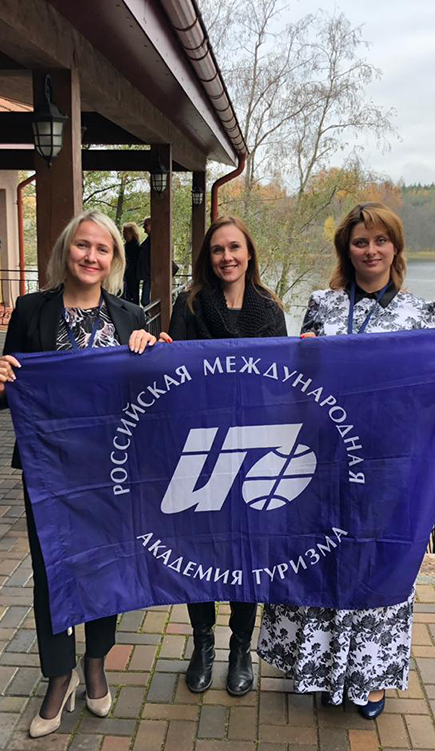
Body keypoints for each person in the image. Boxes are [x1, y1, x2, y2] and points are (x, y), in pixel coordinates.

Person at [257, 202, 435, 720]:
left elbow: (424, 388)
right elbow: (300, 384)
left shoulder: (419, 314)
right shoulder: (323, 306)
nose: (370, 250)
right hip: (325, 458)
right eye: (360, 242)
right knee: (322, 553)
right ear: (346, 250)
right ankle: (320, 667)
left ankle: (370, 676)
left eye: (380, 240)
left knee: (377, 561)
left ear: (395, 248)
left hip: (386, 464)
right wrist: (303, 353)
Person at [0, 210, 155, 738]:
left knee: (107, 564)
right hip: (49, 466)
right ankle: (59, 675)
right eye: (83, 245)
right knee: (52, 567)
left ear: (114, 259)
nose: (90, 256)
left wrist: (155, 352)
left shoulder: (131, 316)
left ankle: (95, 663)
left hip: (113, 467)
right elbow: (10, 391)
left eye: (102, 249)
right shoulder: (31, 310)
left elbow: (151, 394)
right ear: (66, 251)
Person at [162, 216, 287, 696]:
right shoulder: (190, 304)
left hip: (252, 447)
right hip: (199, 444)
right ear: (208, 257)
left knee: (246, 554)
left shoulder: (270, 308)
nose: (227, 257)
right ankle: (202, 646)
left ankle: (239, 650)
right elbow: (174, 377)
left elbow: (282, 380)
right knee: (199, 550)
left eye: (235, 247)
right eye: (218, 249)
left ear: (249, 253)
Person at [122, 222, 142, 304]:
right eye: (123, 232)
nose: (124, 235)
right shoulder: (127, 245)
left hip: (132, 274)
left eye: (126, 232)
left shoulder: (134, 246)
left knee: (132, 294)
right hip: (127, 274)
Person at [138, 217, 152, 304]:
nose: (144, 227)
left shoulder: (154, 241)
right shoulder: (150, 240)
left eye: (146, 225)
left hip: (150, 274)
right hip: (147, 274)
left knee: (145, 300)